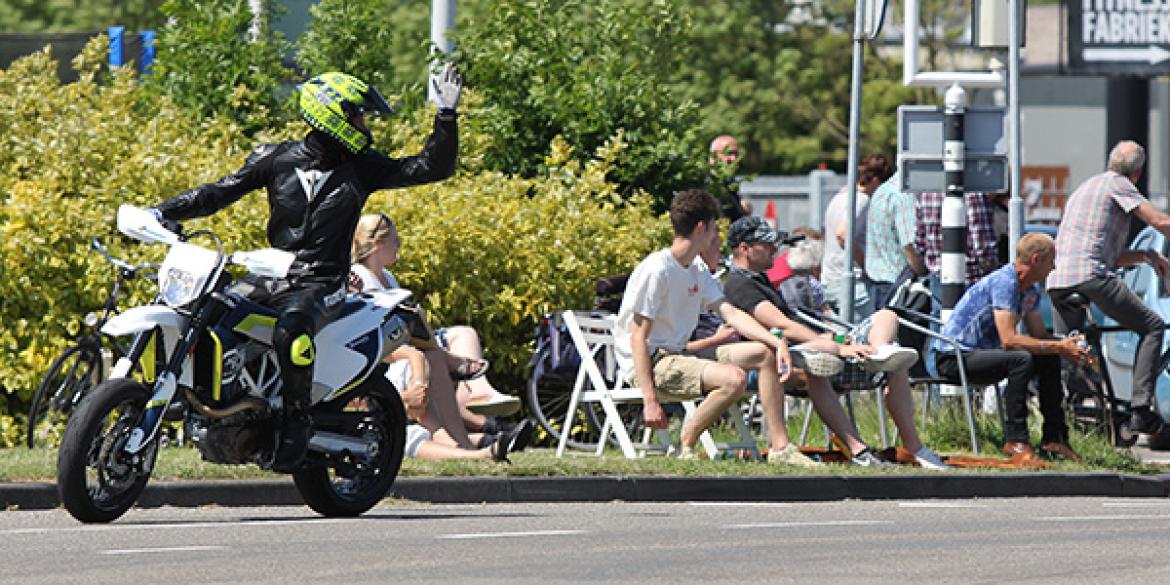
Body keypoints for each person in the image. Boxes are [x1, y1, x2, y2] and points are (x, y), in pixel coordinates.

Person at [149, 66, 462, 471]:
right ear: (331, 114)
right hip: (273, 274)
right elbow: (218, 192)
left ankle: (296, 421)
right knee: (205, 308)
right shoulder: (276, 158)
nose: (364, 125)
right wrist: (163, 212)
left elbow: (430, 167)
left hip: (323, 284)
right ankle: (212, 399)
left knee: (293, 329)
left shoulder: (363, 167)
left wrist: (446, 116)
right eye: (358, 116)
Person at [723, 215, 948, 469]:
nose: (775, 250)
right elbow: (781, 325)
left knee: (888, 318)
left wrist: (840, 339)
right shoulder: (739, 284)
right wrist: (839, 346)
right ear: (744, 248)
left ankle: (882, 360)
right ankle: (860, 450)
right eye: (767, 245)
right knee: (821, 358)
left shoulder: (759, 278)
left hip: (805, 350)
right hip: (778, 358)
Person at [614, 189, 816, 466]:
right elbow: (638, 338)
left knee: (763, 354)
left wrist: (775, 341)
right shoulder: (657, 270)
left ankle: (780, 447)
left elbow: (729, 312)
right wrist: (650, 400)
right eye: (713, 230)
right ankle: (686, 441)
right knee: (733, 379)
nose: (715, 238)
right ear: (701, 228)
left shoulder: (695, 268)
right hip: (653, 363)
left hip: (679, 355)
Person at [348, 213, 521, 440]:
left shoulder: (388, 277)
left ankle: (479, 392)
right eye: (394, 239)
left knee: (464, 334)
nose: (399, 245)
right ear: (378, 243)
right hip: (391, 359)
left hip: (407, 344)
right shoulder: (357, 278)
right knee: (435, 357)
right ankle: (469, 437)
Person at [1048, 140, 1170, 437]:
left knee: (1072, 349)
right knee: (1153, 327)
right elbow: (1160, 221)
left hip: (1059, 281)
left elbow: (1106, 252)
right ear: (1138, 173)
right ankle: (1141, 409)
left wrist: (1147, 256)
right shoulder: (1120, 185)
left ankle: (1068, 420)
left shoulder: (1087, 188)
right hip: (1090, 277)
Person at [935, 233, 1090, 460]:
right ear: (1036, 259)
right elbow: (1009, 340)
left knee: (1047, 359)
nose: (1054, 267)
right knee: (1021, 359)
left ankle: (1055, 439)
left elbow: (1039, 335)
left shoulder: (1030, 290)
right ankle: (1016, 440)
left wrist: (1068, 346)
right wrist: (1059, 347)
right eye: (1051, 261)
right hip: (955, 357)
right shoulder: (1005, 282)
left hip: (982, 355)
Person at [383, 342, 533, 462]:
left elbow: (413, 354)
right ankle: (482, 451)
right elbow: (361, 402)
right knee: (406, 436)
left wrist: (417, 385)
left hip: (402, 403)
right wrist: (404, 397)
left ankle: (479, 441)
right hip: (380, 413)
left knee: (429, 359)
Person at [822, 155, 893, 320]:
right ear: (875, 181)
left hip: (830, 279)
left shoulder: (840, 197)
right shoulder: (861, 201)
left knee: (843, 337)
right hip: (851, 284)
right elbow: (843, 234)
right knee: (867, 334)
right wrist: (866, 265)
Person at [864, 170, 925, 310]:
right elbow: (910, 247)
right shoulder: (904, 196)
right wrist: (923, 272)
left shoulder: (883, 190)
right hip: (898, 285)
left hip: (879, 283)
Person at [708, 135, 751, 221]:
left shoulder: (729, 184)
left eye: (736, 154)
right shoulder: (708, 186)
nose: (734, 158)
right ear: (712, 157)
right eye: (728, 153)